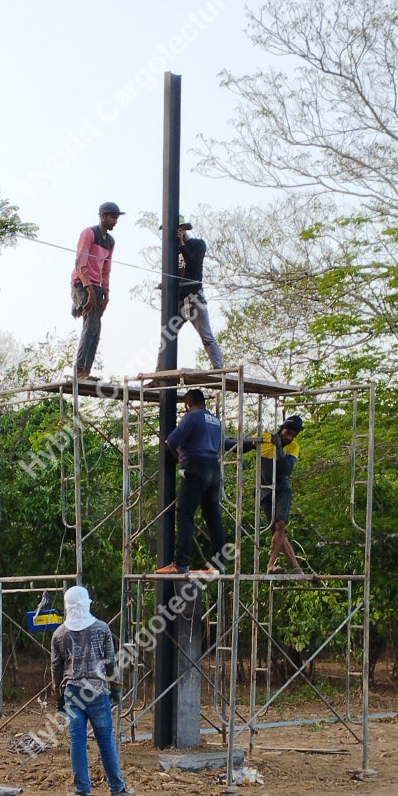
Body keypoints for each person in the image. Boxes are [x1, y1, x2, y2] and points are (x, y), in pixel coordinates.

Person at [50, 585, 133, 796]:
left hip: (72, 691)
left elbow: (56, 667)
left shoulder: (59, 634)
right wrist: (115, 687)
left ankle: (81, 791)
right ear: (86, 602)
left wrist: (58, 694)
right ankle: (117, 788)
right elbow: (110, 662)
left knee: (77, 740)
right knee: (106, 740)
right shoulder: (102, 628)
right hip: (97, 690)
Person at [156, 388, 226, 575]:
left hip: (196, 468)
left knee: (186, 513)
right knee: (213, 517)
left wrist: (179, 458)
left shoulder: (192, 417)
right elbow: (220, 444)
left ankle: (181, 563)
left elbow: (171, 441)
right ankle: (219, 565)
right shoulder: (216, 420)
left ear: (188, 404)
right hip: (213, 467)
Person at [157, 220, 223, 371]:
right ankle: (158, 374)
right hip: (179, 302)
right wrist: (164, 285)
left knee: (206, 336)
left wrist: (181, 244)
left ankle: (219, 369)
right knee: (166, 338)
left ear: (182, 230)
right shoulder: (171, 252)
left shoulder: (198, 244)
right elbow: (173, 275)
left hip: (194, 298)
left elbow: (193, 264)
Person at [70, 202, 124, 379]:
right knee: (91, 324)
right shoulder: (89, 233)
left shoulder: (110, 241)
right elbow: (80, 264)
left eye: (116, 217)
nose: (115, 221)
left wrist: (106, 293)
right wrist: (90, 291)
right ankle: (80, 370)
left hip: (98, 286)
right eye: (113, 217)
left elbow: (106, 269)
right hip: (82, 283)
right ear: (103, 216)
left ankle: (85, 370)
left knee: (96, 328)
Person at [258, 414, 306, 575]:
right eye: (289, 431)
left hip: (281, 489)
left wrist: (279, 449)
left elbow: (287, 469)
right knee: (278, 532)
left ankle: (271, 564)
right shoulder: (264, 438)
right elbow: (242, 445)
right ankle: (297, 568)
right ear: (282, 428)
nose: (291, 436)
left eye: (294, 434)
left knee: (280, 525)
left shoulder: (293, 447)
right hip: (265, 489)